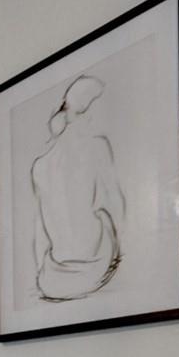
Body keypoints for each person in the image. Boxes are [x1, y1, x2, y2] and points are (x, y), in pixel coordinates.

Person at [29, 74, 124, 301]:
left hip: (52, 277)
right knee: (102, 213)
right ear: (87, 113)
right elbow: (116, 205)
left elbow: (39, 231)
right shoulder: (97, 146)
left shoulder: (40, 166)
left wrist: (42, 269)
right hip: (93, 265)